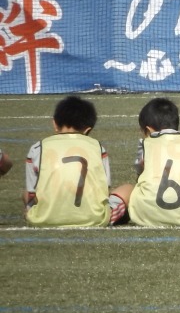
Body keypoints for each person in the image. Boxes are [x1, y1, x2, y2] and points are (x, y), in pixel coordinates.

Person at [110, 98, 180, 228]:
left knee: (128, 189)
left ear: (148, 130)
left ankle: (112, 212)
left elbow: (140, 179)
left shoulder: (145, 144)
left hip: (148, 214)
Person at [23, 96, 120, 228]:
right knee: (126, 190)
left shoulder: (37, 148)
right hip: (93, 218)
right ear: (88, 130)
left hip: (44, 219)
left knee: (26, 194)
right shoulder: (98, 147)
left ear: (55, 124)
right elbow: (105, 189)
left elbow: (31, 194)